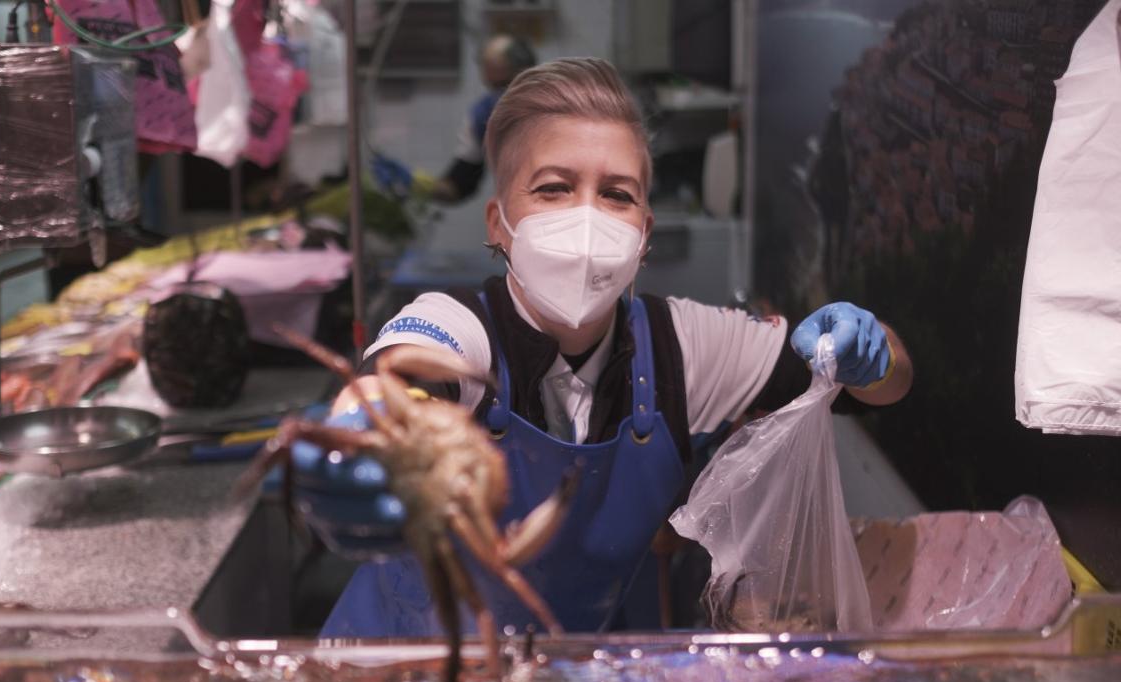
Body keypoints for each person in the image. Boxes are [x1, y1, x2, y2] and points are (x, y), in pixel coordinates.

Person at [306, 58, 913, 637]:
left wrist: (872, 351)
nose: (587, 220)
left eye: (617, 195)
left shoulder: (684, 345)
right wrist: (368, 437)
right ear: (498, 223)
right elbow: (395, 381)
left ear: (644, 232)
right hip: (399, 667)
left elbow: (877, 390)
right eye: (553, 189)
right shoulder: (457, 325)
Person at [372, 35, 537, 203]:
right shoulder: (483, 116)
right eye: (501, 87)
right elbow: (457, 186)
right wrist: (414, 182)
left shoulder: (558, 102)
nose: (508, 98)